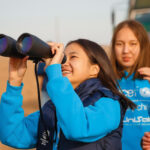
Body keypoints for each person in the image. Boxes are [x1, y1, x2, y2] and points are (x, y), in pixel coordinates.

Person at [0, 39, 135, 150]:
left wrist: (54, 72)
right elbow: (12, 135)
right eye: (63, 57)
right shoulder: (52, 108)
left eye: (73, 57)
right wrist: (14, 83)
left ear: (94, 69)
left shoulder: (108, 103)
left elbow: (78, 129)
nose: (63, 62)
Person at [110, 19, 150, 150]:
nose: (126, 50)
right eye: (120, 44)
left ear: (143, 46)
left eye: (133, 44)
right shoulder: (106, 82)